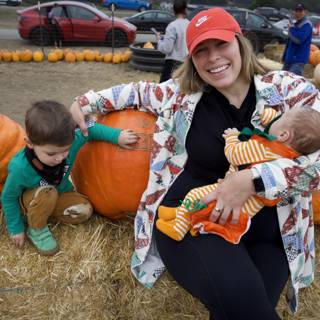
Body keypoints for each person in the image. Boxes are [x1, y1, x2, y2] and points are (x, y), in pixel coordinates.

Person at [69, 7, 320, 319]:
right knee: (247, 307)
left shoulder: (289, 90)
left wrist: (252, 180)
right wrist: (84, 102)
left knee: (240, 310)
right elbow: (134, 92)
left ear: (239, 43)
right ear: (191, 59)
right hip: (194, 219)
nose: (213, 58)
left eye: (221, 45)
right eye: (201, 50)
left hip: (271, 231)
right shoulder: (180, 97)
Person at [156, 106, 320, 242]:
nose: (279, 117)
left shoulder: (263, 148)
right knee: (201, 203)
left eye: (283, 117)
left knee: (195, 195)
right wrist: (272, 117)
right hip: (249, 208)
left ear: (284, 135)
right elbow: (275, 124)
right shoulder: (287, 157)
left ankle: (178, 229)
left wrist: (232, 137)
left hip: (235, 202)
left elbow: (235, 154)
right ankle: (179, 213)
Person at [1, 100, 138, 256]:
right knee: (47, 193)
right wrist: (15, 228)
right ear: (30, 144)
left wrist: (117, 136)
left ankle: (47, 214)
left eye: (65, 150)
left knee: (85, 210)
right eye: (51, 154)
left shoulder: (71, 141)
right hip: (32, 199)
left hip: (58, 194)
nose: (59, 158)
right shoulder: (20, 168)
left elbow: (90, 129)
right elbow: (8, 197)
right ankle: (36, 228)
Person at [156, 0, 189, 83]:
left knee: (166, 91)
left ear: (174, 10)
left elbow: (167, 48)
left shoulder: (172, 26)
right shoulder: (190, 24)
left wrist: (159, 40)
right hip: (187, 64)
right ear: (185, 9)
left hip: (172, 65)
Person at [282, 3, 313, 76]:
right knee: (282, 80)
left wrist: (291, 29)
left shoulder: (307, 25)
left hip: (298, 61)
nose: (298, 13)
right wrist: (285, 56)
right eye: (296, 11)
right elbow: (289, 43)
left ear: (305, 12)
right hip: (289, 59)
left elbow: (298, 40)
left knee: (292, 82)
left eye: (300, 11)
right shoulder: (295, 24)